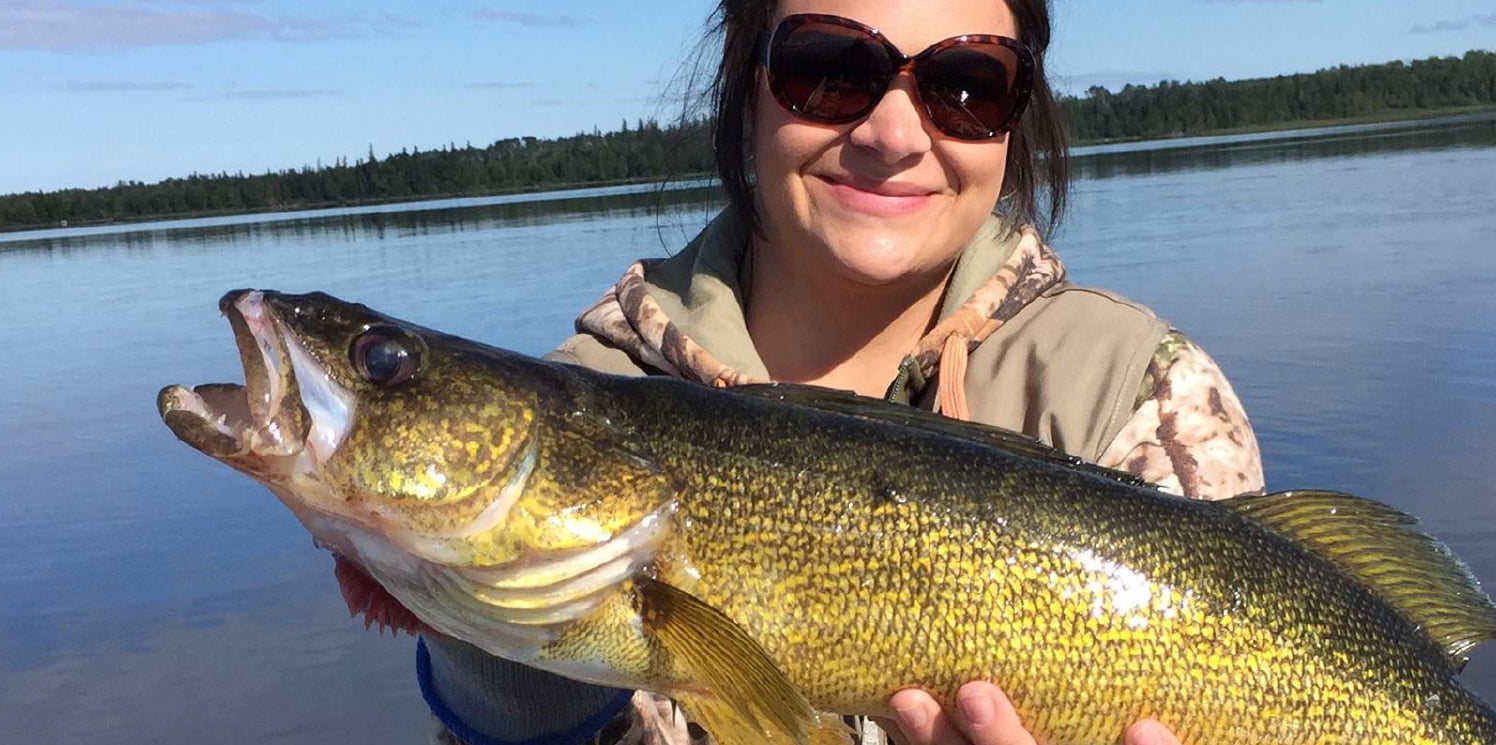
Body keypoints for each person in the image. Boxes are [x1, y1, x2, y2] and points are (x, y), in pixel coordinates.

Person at [414, 1, 1266, 744]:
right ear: (745, 82)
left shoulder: (1129, 392)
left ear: (1018, 114)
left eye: (968, 83)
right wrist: (498, 672)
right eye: (828, 69)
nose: (893, 135)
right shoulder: (586, 403)